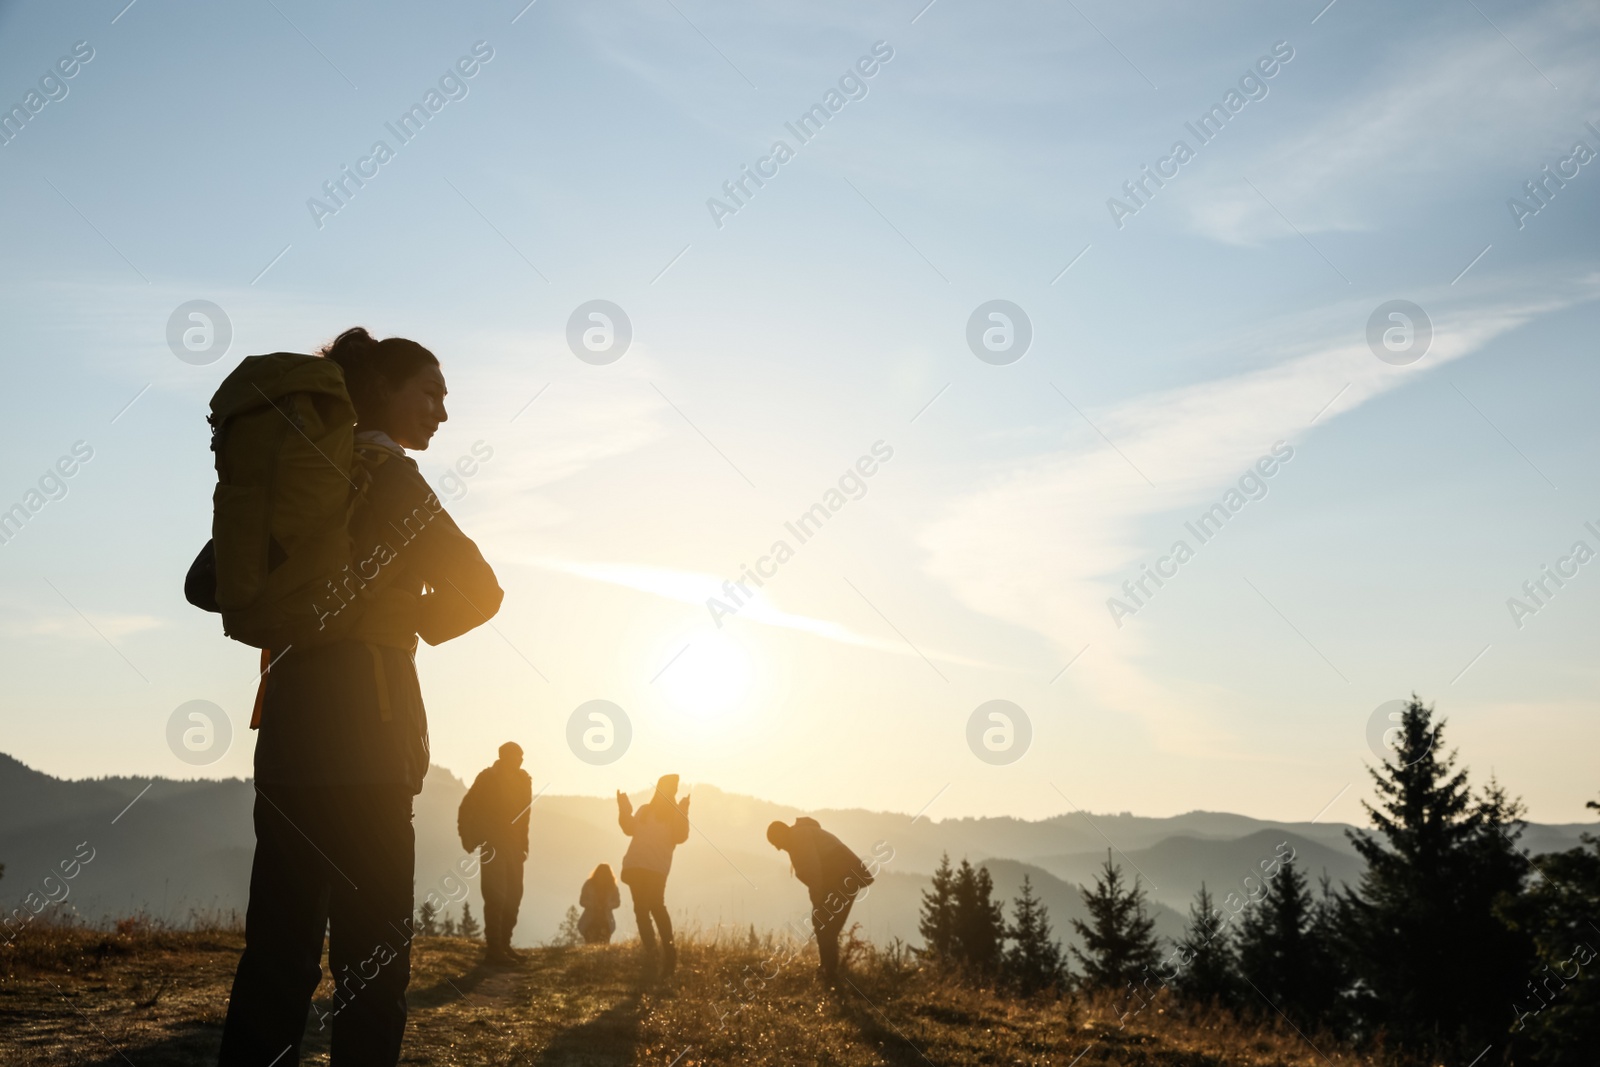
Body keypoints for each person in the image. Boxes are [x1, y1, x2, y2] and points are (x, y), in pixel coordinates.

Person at [212, 328, 503, 1066]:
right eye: (430, 392)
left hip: (287, 736)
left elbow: (204, 581)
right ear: (382, 388)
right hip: (372, 746)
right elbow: (482, 590)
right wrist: (406, 618)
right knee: (372, 966)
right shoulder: (392, 478)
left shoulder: (296, 477)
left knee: (277, 955)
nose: (441, 411)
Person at [767, 817, 876, 982]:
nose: (777, 848)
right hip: (846, 878)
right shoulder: (799, 836)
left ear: (782, 834)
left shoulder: (799, 837)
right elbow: (814, 874)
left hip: (845, 878)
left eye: (775, 842)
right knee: (825, 925)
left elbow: (813, 871)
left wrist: (818, 903)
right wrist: (817, 903)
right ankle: (828, 970)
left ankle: (829, 973)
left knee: (825, 925)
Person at [459, 742, 532, 965]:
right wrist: (468, 838)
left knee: (514, 896)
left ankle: (504, 945)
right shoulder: (487, 778)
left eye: (522, 756)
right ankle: (495, 950)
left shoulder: (523, 781)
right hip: (492, 845)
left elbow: (525, 816)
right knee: (496, 896)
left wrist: (523, 844)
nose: (521, 760)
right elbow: (467, 807)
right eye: (517, 756)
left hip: (514, 847)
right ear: (505, 757)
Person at [617, 775, 690, 978]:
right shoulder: (657, 812)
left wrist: (684, 811)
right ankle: (664, 954)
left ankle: (659, 955)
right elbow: (679, 837)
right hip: (647, 867)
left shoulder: (650, 811)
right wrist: (623, 808)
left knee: (648, 909)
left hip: (643, 866)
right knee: (650, 908)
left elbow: (629, 828)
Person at [577, 863, 622, 945]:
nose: (602, 876)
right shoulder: (589, 884)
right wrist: (591, 905)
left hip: (605, 919)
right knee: (590, 940)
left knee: (604, 941)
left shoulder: (612, 886)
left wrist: (608, 905)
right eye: (601, 873)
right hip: (590, 919)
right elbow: (582, 900)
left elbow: (617, 902)